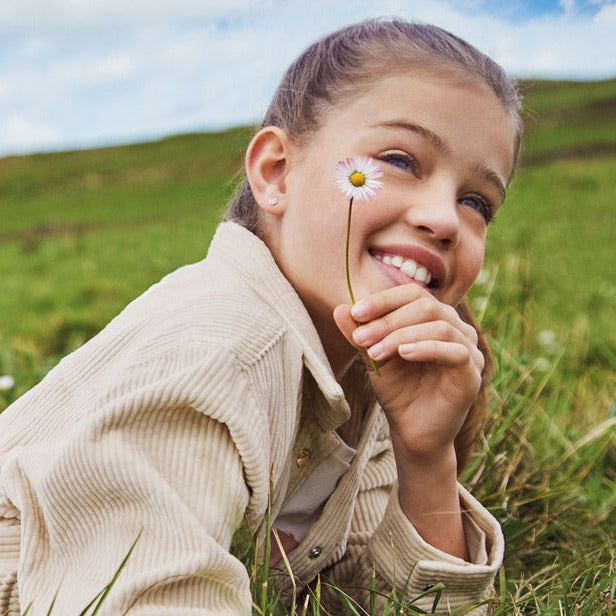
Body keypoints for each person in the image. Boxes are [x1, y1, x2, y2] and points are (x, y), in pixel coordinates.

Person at [0, 17, 522, 615]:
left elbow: (376, 602)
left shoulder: (364, 376)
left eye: (476, 201)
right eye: (400, 159)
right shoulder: (216, 354)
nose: (445, 219)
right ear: (276, 172)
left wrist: (427, 457)